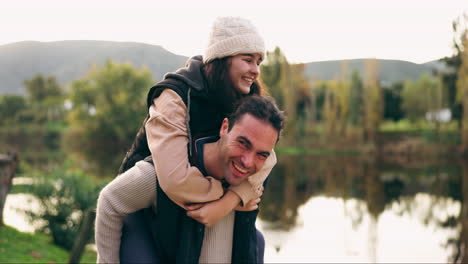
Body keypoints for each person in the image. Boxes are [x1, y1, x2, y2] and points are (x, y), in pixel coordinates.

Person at [95, 16, 278, 263]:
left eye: (258, 62)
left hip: (194, 205)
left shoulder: (246, 97)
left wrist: (229, 202)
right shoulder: (175, 96)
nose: (255, 71)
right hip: (148, 203)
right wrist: (227, 195)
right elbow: (176, 179)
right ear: (222, 58)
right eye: (247, 60)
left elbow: (267, 156)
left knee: (252, 242)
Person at [96, 96, 284, 263]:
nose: (247, 161)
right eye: (243, 143)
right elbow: (110, 201)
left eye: (261, 154)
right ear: (224, 128)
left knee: (258, 241)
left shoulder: (249, 183)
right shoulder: (169, 171)